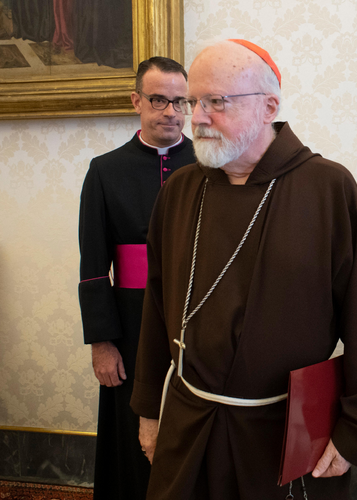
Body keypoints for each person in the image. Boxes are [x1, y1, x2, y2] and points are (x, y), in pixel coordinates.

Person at [130, 39, 357, 499]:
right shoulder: (181, 190)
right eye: (195, 101)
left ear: (269, 106)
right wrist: (151, 407)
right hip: (189, 419)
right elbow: (156, 305)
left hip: (285, 434)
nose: (198, 117)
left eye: (217, 102)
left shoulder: (327, 188)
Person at [78, 57, 194, 500]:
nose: (171, 111)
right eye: (159, 99)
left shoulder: (210, 165)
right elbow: (93, 264)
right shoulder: (105, 170)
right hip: (129, 324)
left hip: (194, 318)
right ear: (136, 101)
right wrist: (101, 343)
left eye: (179, 100)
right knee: (131, 434)